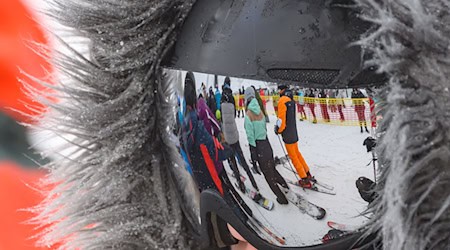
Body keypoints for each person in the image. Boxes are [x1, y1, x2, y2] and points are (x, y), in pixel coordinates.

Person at [244, 87, 289, 204]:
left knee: (268, 177)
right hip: (267, 145)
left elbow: (251, 138)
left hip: (259, 148)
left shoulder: (248, 115)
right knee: (272, 169)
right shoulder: (260, 111)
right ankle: (285, 187)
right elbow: (264, 128)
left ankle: (282, 198)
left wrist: (254, 158)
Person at [221, 77, 259, 189]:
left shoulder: (221, 99)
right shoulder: (232, 98)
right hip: (234, 133)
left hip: (227, 136)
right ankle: (254, 183)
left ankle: (240, 183)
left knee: (233, 161)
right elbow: (235, 115)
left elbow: (221, 119)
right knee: (242, 159)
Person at [275, 85, 314, 188]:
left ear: (282, 90)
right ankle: (307, 172)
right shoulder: (291, 99)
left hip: (287, 133)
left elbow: (282, 119)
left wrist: (278, 129)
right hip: (293, 132)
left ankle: (304, 179)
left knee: (293, 157)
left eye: (279, 90)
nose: (278, 91)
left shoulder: (282, 100)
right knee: (297, 154)